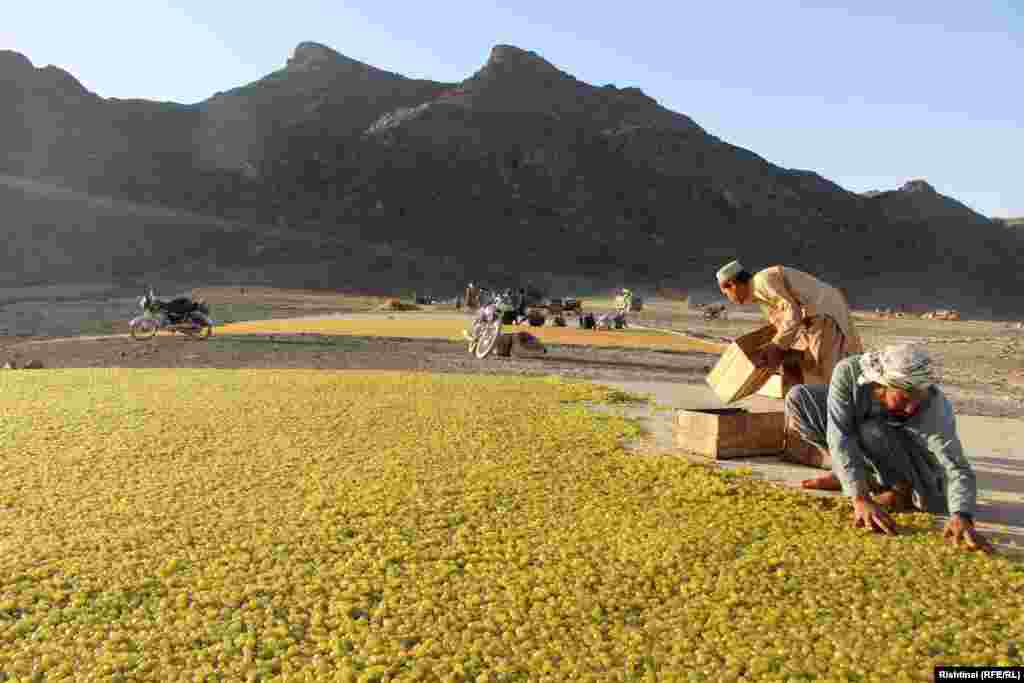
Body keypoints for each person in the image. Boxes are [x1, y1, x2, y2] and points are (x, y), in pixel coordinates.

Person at [785, 343, 993, 553]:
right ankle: (853, 476)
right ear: (881, 385)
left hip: (914, 464)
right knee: (800, 398)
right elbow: (840, 433)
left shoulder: (933, 407)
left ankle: (899, 490)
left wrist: (962, 515)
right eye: (904, 398)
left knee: (871, 429)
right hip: (870, 441)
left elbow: (956, 467)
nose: (911, 407)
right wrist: (860, 498)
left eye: (917, 399)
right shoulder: (848, 372)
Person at [716, 260, 863, 386]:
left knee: (823, 372)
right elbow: (784, 325)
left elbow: (793, 313)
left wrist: (776, 346)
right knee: (806, 367)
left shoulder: (762, 281)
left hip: (823, 314)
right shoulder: (759, 296)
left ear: (731, 284)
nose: (729, 298)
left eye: (726, 293)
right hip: (814, 319)